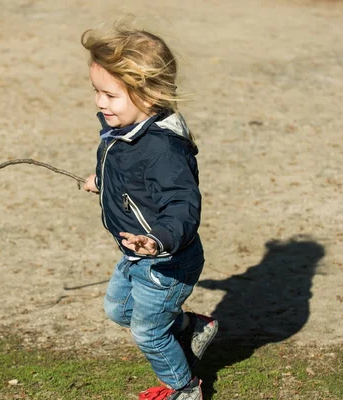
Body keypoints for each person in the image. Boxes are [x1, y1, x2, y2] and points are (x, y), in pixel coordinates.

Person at [81, 24, 218, 400]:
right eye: (96, 91)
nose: (99, 102)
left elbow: (181, 205)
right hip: (136, 254)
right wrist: (102, 179)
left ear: (148, 94)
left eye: (110, 94)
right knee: (118, 310)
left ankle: (184, 388)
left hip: (166, 259)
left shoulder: (162, 150)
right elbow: (128, 173)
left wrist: (158, 241)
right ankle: (190, 326)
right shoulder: (126, 131)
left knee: (148, 331)